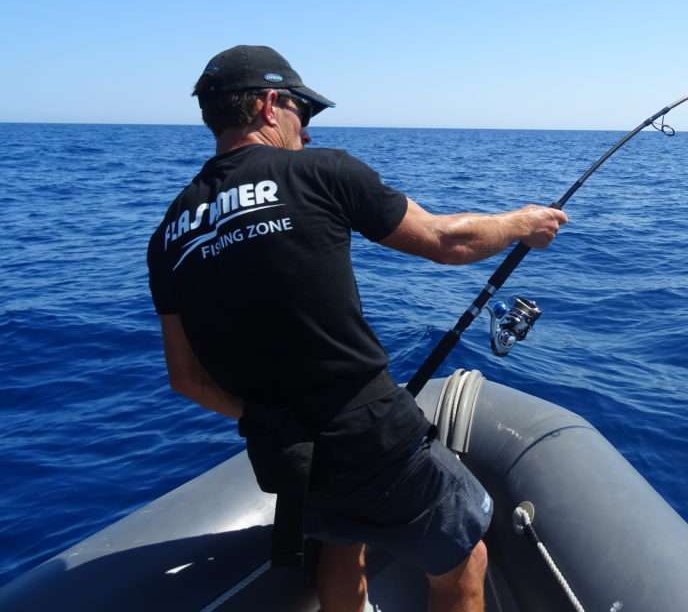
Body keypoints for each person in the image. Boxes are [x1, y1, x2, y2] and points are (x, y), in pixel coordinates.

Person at [146, 45, 568, 612]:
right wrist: (521, 224)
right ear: (271, 105)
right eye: (304, 112)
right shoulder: (322, 172)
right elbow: (447, 241)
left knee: (341, 543)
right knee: (466, 555)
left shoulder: (169, 232)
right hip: (370, 438)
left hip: (282, 453)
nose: (310, 132)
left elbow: (186, 379)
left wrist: (274, 419)